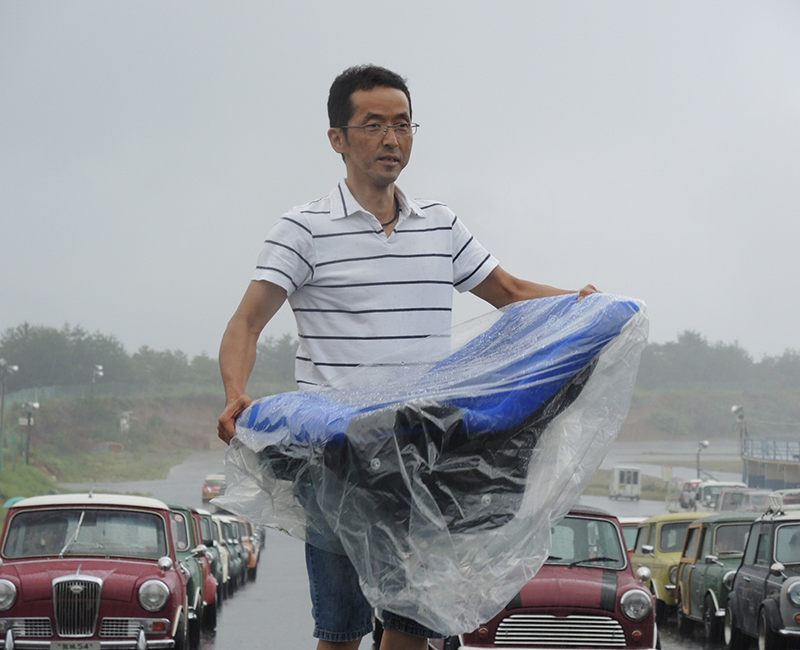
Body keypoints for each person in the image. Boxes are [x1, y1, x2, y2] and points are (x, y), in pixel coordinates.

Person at [218, 64, 598, 650]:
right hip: (336, 454)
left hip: (422, 450)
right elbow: (246, 322)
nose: (391, 139)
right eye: (373, 125)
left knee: (412, 624)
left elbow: (510, 292)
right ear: (338, 138)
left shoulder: (439, 225)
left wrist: (584, 304)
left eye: (402, 124)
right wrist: (235, 394)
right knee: (340, 630)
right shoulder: (303, 230)